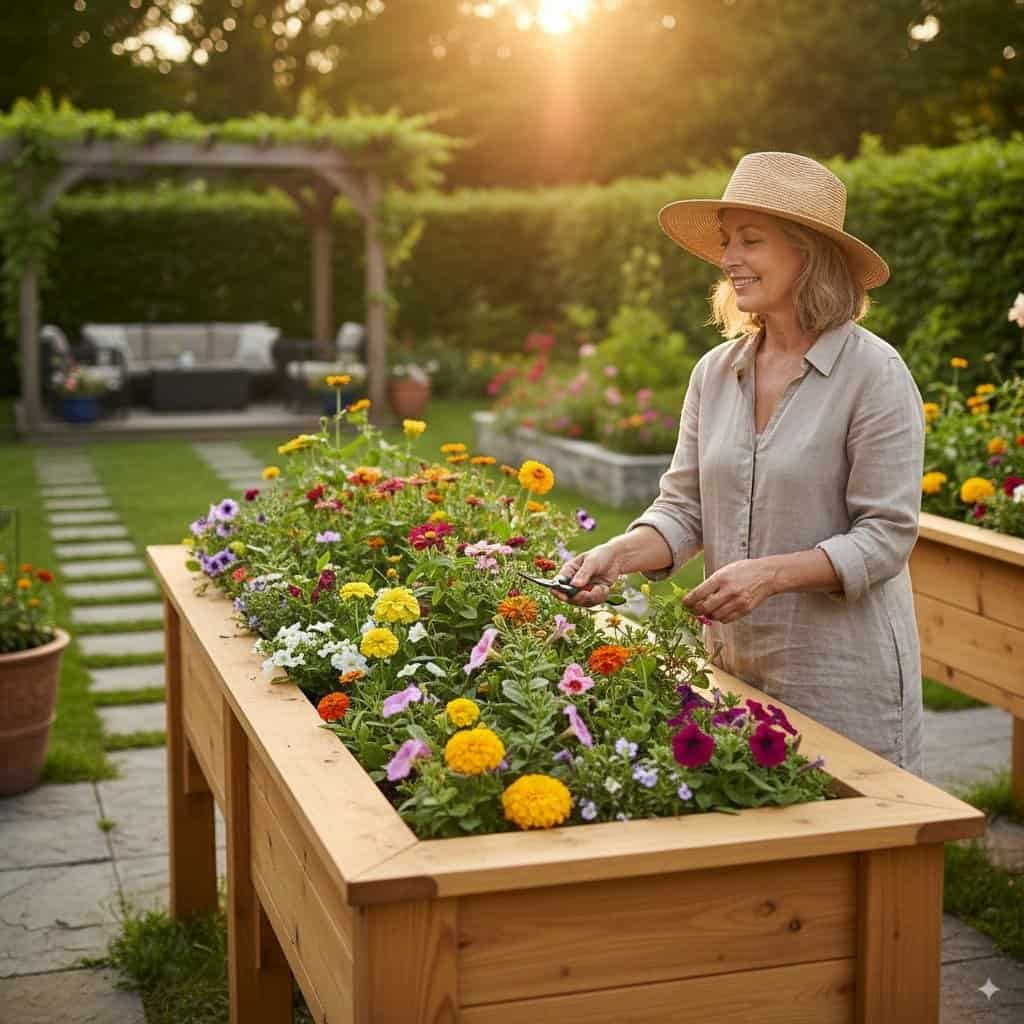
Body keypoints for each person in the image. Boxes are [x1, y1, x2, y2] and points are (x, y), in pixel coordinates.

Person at [556, 151, 925, 774]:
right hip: (734, 669)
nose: (729, 258)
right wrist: (615, 556)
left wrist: (769, 575)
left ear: (809, 255)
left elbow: (887, 536)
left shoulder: (875, 374)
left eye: (751, 241)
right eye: (727, 241)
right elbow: (684, 508)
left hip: (841, 677)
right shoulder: (715, 373)